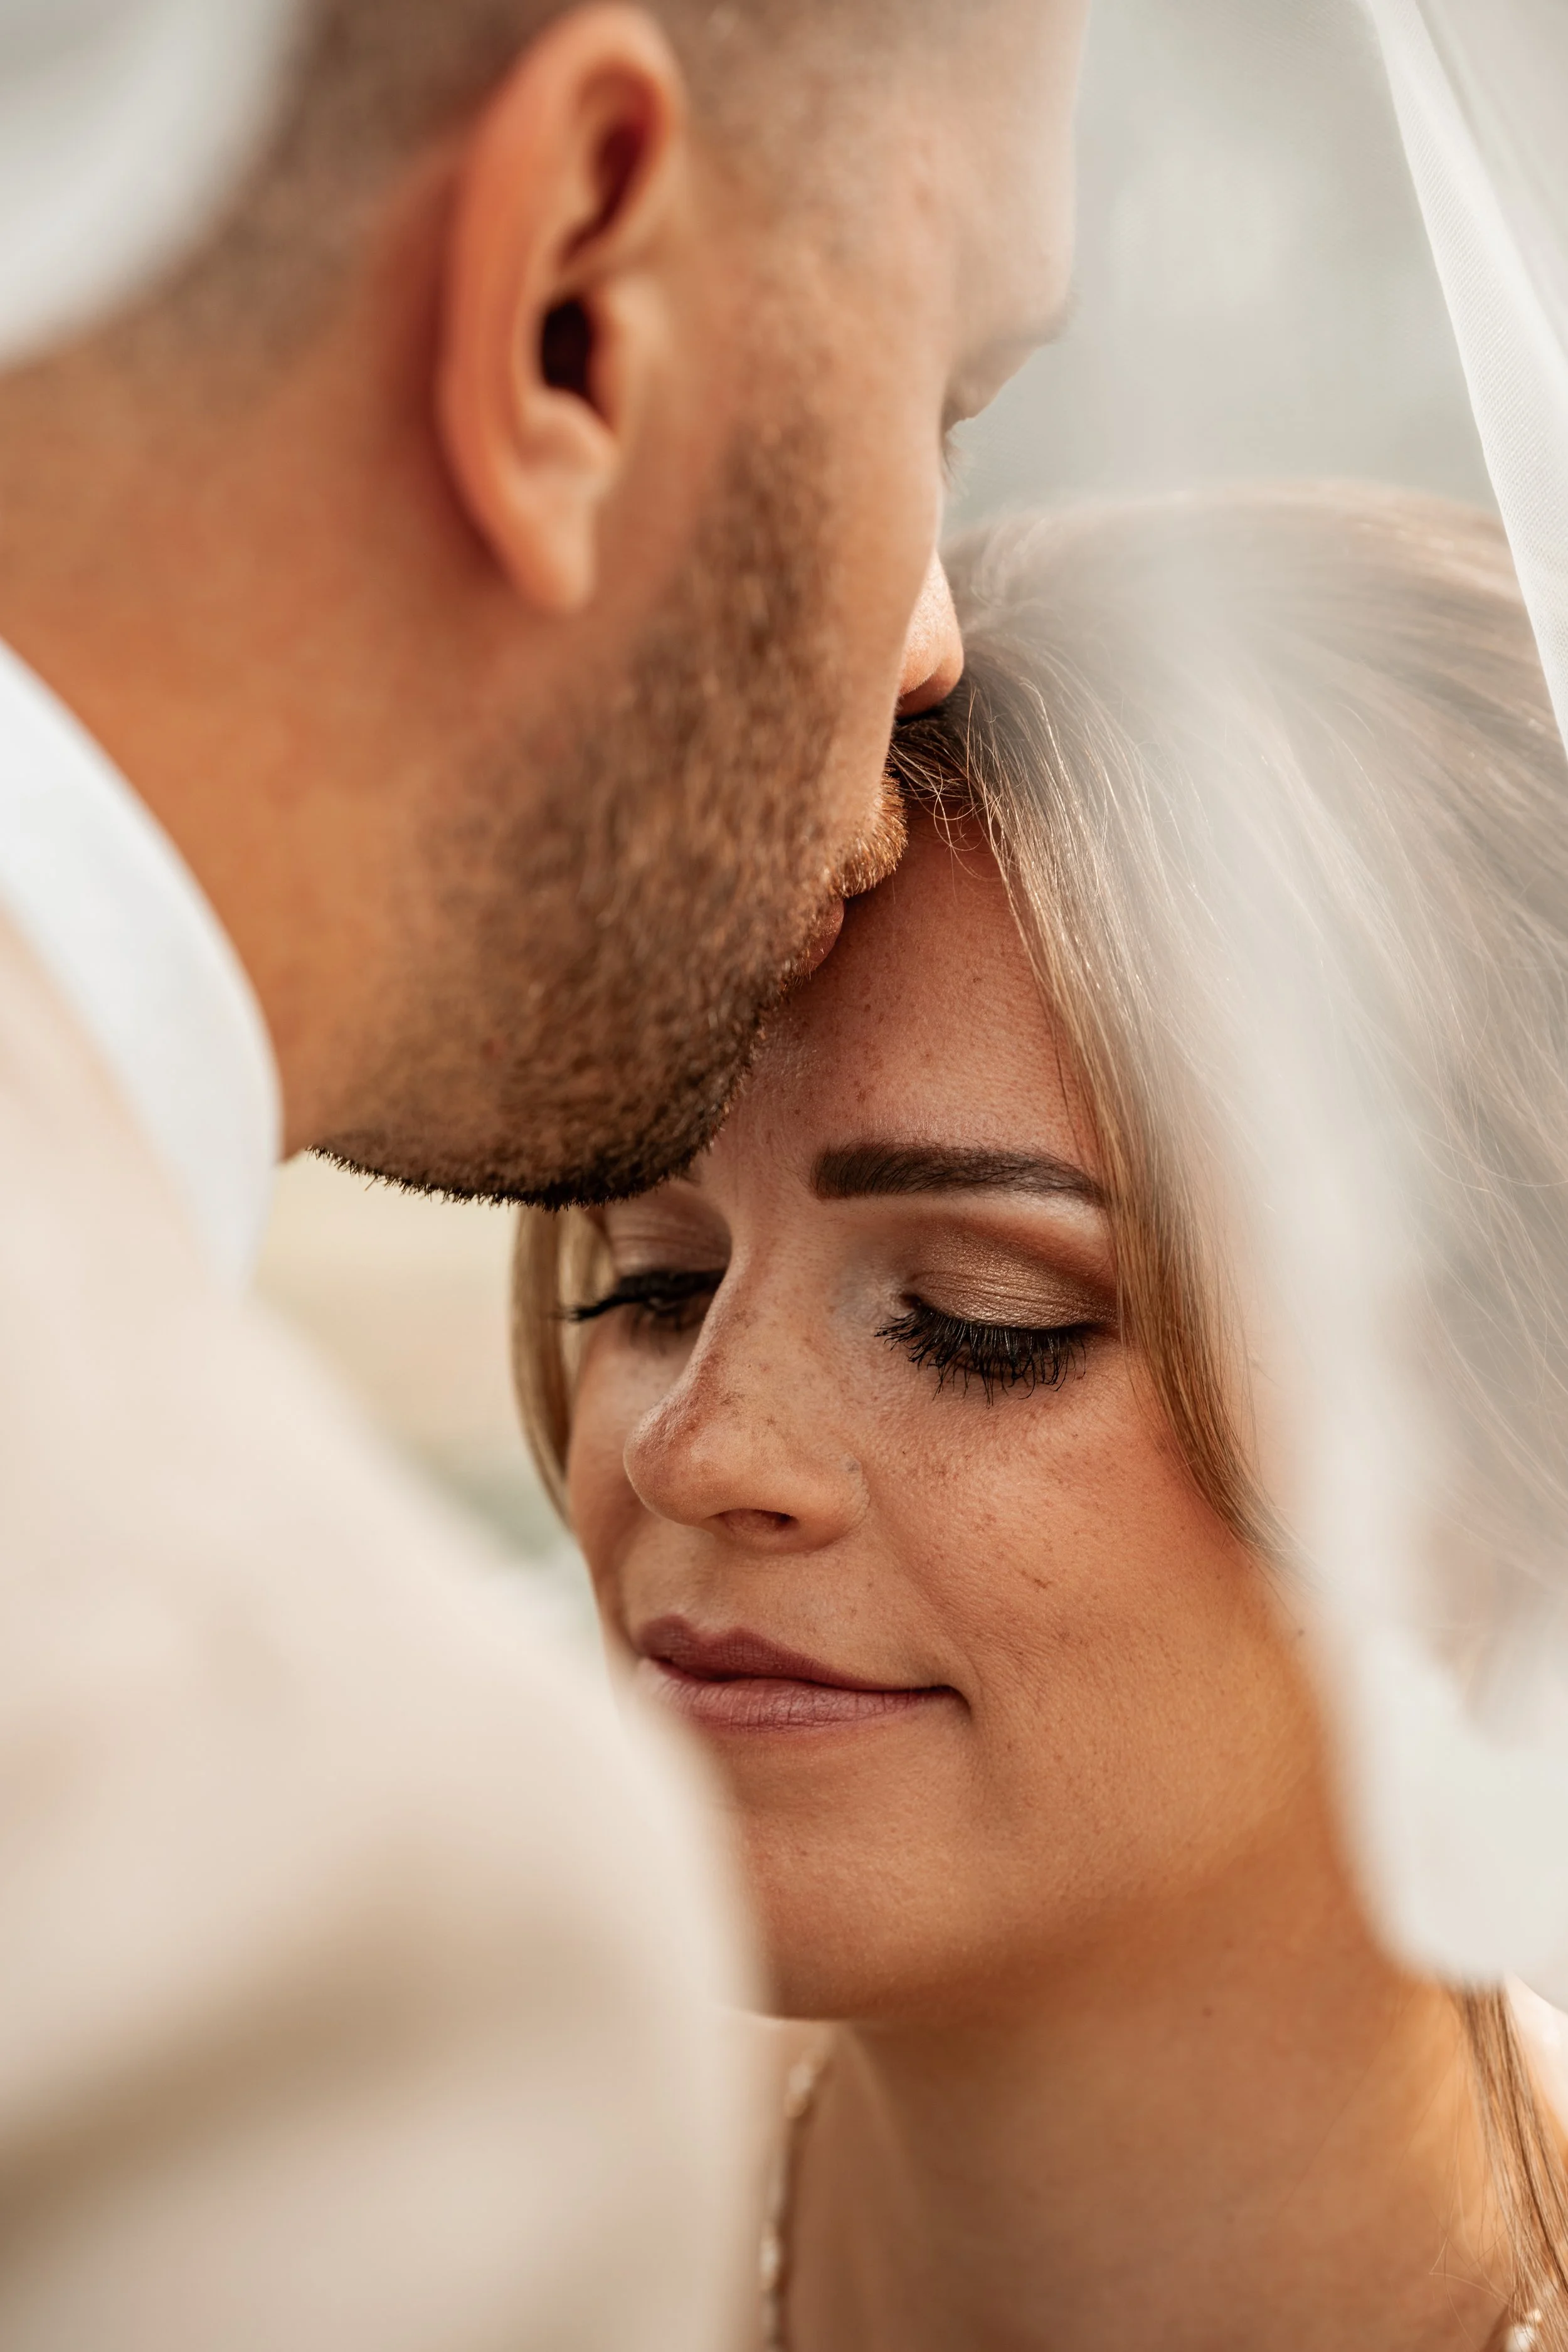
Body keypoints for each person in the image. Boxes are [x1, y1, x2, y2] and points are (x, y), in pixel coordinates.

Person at [0, 1, 1088, 2344]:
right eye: (944, 398)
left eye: (986, 1320)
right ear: (571, 301)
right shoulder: (321, 1908)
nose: (932, 642)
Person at [517, 484, 1568, 2351]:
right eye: (651, 1281)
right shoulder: (348, 2228)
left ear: (1481, 1462)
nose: (695, 1446)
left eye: (978, 1318)